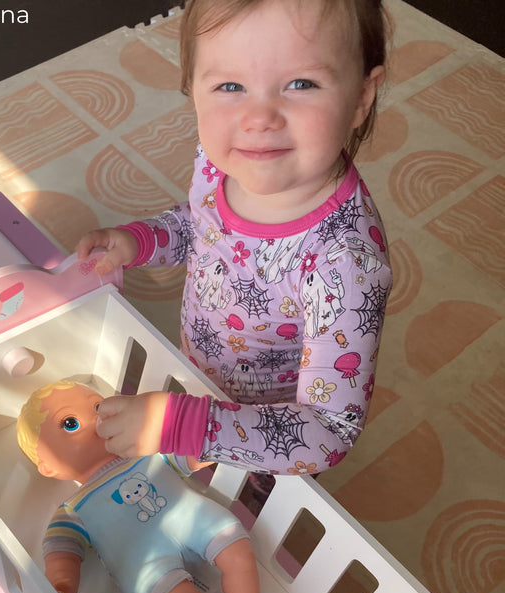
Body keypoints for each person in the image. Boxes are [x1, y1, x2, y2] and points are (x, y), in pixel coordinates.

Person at [77, 0, 392, 481]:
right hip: (197, 378)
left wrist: (185, 424)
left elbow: (328, 430)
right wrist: (140, 240)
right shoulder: (222, 158)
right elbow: (204, 226)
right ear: (194, 90)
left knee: (245, 516)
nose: (259, 117)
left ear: (361, 97)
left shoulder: (344, 264)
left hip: (265, 441)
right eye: (230, 86)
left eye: (301, 84)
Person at [17, 379, 281, 593]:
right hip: (142, 561)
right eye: (70, 423)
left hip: (194, 519)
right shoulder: (73, 509)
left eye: (97, 406)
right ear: (48, 467)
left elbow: (200, 448)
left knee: (237, 552)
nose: (96, 419)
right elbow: (62, 551)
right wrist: (62, 584)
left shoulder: (150, 452)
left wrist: (213, 427)